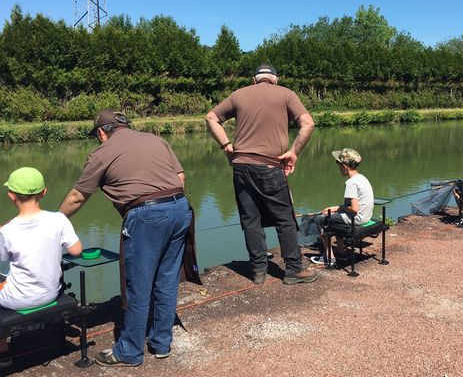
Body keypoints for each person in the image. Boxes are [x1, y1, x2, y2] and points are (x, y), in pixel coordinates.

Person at [58, 109, 193, 367]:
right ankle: (161, 343)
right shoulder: (156, 140)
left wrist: (53, 222)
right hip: (179, 208)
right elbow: (180, 177)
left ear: (101, 132)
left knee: (138, 285)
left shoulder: (102, 153)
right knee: (166, 279)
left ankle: (130, 352)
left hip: (145, 214)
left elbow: (77, 196)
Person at [205, 64, 317, 285]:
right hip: (269, 166)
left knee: (250, 219)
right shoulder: (286, 94)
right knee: (284, 218)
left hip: (241, 166)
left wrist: (227, 146)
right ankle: (293, 269)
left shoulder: (238, 94)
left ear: (254, 79)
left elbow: (210, 118)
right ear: (275, 78)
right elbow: (308, 123)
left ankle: (258, 271)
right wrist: (293, 152)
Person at [0, 167, 83, 367]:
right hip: (50, 293)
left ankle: (3, 354)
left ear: (11, 196)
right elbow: (76, 251)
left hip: (17, 301)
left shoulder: (8, 231)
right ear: (44, 192)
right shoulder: (58, 220)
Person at [309, 148, 374, 266]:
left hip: (357, 219)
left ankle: (329, 257)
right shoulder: (362, 178)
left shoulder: (351, 183)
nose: (337, 166)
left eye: (338, 164)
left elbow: (354, 209)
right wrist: (335, 208)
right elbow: (350, 206)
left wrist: (338, 209)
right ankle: (341, 252)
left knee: (319, 220)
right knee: (334, 216)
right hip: (366, 217)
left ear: (344, 166)